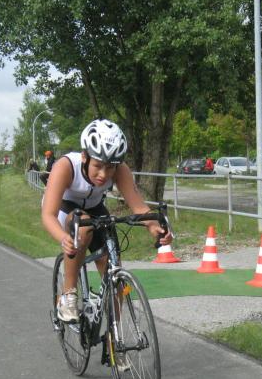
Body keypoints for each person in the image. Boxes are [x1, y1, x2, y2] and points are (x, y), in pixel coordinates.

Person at [42, 119, 171, 322]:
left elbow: (138, 207)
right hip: (64, 208)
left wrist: (155, 227)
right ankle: (68, 295)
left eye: (110, 167)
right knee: (83, 227)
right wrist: (62, 237)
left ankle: (114, 336)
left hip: (95, 207)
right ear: (84, 156)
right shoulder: (66, 166)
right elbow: (48, 214)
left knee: (113, 271)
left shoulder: (120, 169)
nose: (103, 174)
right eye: (98, 166)